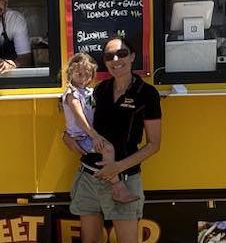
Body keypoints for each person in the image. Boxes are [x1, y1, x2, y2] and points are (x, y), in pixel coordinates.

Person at [63, 35, 162, 243]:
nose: (116, 59)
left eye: (122, 53)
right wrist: (66, 136)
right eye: (109, 56)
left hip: (124, 179)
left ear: (133, 56)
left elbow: (154, 145)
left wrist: (116, 168)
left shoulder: (147, 93)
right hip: (89, 176)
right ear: (105, 62)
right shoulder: (100, 90)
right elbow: (81, 121)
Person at [62, 52, 139, 205]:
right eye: (79, 73)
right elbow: (79, 118)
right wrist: (95, 136)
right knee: (108, 149)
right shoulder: (72, 94)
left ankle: (108, 178)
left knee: (111, 148)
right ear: (70, 73)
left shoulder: (90, 92)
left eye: (87, 74)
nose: (83, 77)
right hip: (82, 137)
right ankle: (118, 187)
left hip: (90, 134)